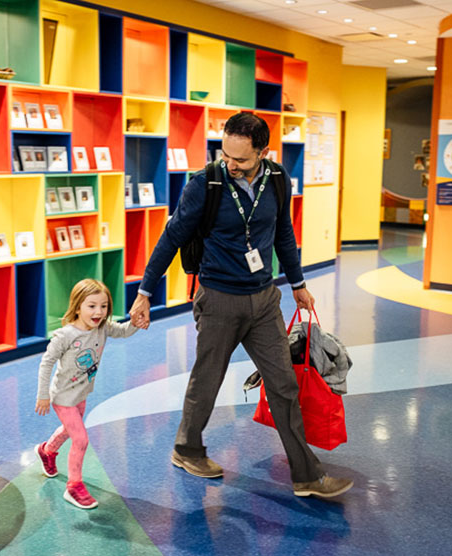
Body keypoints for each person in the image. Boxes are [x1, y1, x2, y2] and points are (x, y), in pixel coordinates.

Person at [129, 112, 352, 499]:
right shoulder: (206, 184)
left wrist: (297, 283)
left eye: (242, 160)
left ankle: (307, 475)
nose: (231, 164)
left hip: (265, 299)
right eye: (225, 155)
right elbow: (171, 237)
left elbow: (283, 231)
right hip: (218, 299)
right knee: (207, 380)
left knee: (283, 384)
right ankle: (187, 449)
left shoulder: (278, 179)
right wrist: (145, 292)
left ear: (263, 152)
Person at [35, 278, 138, 509]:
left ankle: (47, 450)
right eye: (91, 306)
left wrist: (136, 322)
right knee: (80, 438)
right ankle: (74, 487)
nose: (98, 312)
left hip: (81, 392)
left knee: (69, 430)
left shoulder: (101, 327)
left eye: (103, 306)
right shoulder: (66, 335)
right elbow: (46, 362)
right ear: (78, 305)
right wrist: (43, 394)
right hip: (62, 397)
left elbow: (123, 331)